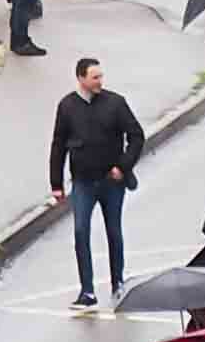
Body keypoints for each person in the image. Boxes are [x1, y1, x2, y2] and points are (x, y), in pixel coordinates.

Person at [49, 54, 146, 308]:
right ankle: (87, 291)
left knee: (113, 230)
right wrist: (56, 184)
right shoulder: (67, 106)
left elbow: (136, 136)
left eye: (101, 76)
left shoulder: (115, 103)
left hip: (111, 182)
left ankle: (118, 283)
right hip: (82, 182)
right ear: (81, 78)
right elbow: (58, 145)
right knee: (81, 231)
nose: (100, 81)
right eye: (95, 77)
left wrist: (123, 167)